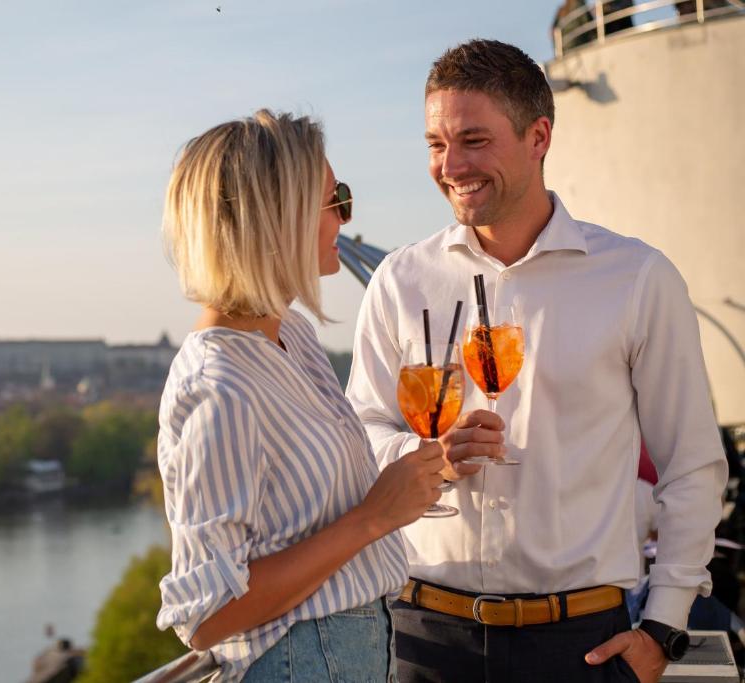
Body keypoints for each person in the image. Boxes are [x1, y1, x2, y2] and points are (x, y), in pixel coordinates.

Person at [346, 39, 728, 683]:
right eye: (436, 144)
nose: (451, 165)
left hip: (580, 648)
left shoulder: (636, 277)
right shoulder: (400, 281)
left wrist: (663, 626)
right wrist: (430, 458)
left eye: (474, 140)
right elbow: (360, 435)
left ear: (539, 136)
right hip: (422, 641)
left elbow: (691, 466)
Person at [154, 109, 497, 682]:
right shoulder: (218, 383)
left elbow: (315, 507)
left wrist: (428, 463)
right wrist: (372, 518)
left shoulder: (292, 339)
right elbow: (208, 614)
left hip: (351, 653)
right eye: (334, 198)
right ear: (278, 219)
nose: (346, 214)